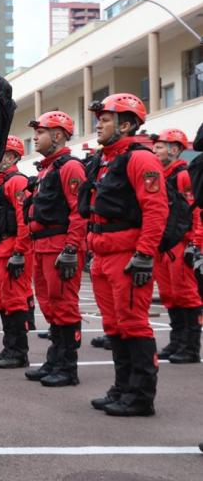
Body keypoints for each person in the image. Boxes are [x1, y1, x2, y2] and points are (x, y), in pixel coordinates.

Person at [83, 93, 167, 417]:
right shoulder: (106, 160)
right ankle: (122, 387)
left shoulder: (140, 159)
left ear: (127, 124)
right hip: (104, 254)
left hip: (127, 254)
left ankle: (141, 396)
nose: (99, 125)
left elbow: (156, 210)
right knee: (114, 324)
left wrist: (145, 255)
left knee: (133, 324)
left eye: (106, 120)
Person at [24, 111, 87, 387]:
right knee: (50, 306)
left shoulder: (70, 167)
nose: (35, 137)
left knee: (64, 307)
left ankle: (67, 367)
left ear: (58, 135)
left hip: (59, 245)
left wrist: (72, 248)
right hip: (43, 246)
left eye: (41, 132)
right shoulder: (48, 168)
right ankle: (55, 359)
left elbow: (79, 212)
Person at [151, 129, 202, 364]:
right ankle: (176, 341)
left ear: (174, 149)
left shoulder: (183, 175)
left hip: (181, 244)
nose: (155, 150)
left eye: (160, 147)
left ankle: (190, 347)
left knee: (186, 296)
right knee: (170, 295)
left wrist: (194, 243)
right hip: (165, 245)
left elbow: (196, 211)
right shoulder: (163, 175)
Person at [0, 136, 34, 369]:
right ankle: (9, 347)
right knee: (2, 302)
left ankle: (18, 351)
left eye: (1, 153)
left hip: (10, 249)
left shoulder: (16, 182)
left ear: (12, 157)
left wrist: (19, 252)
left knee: (14, 301)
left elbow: (25, 220)